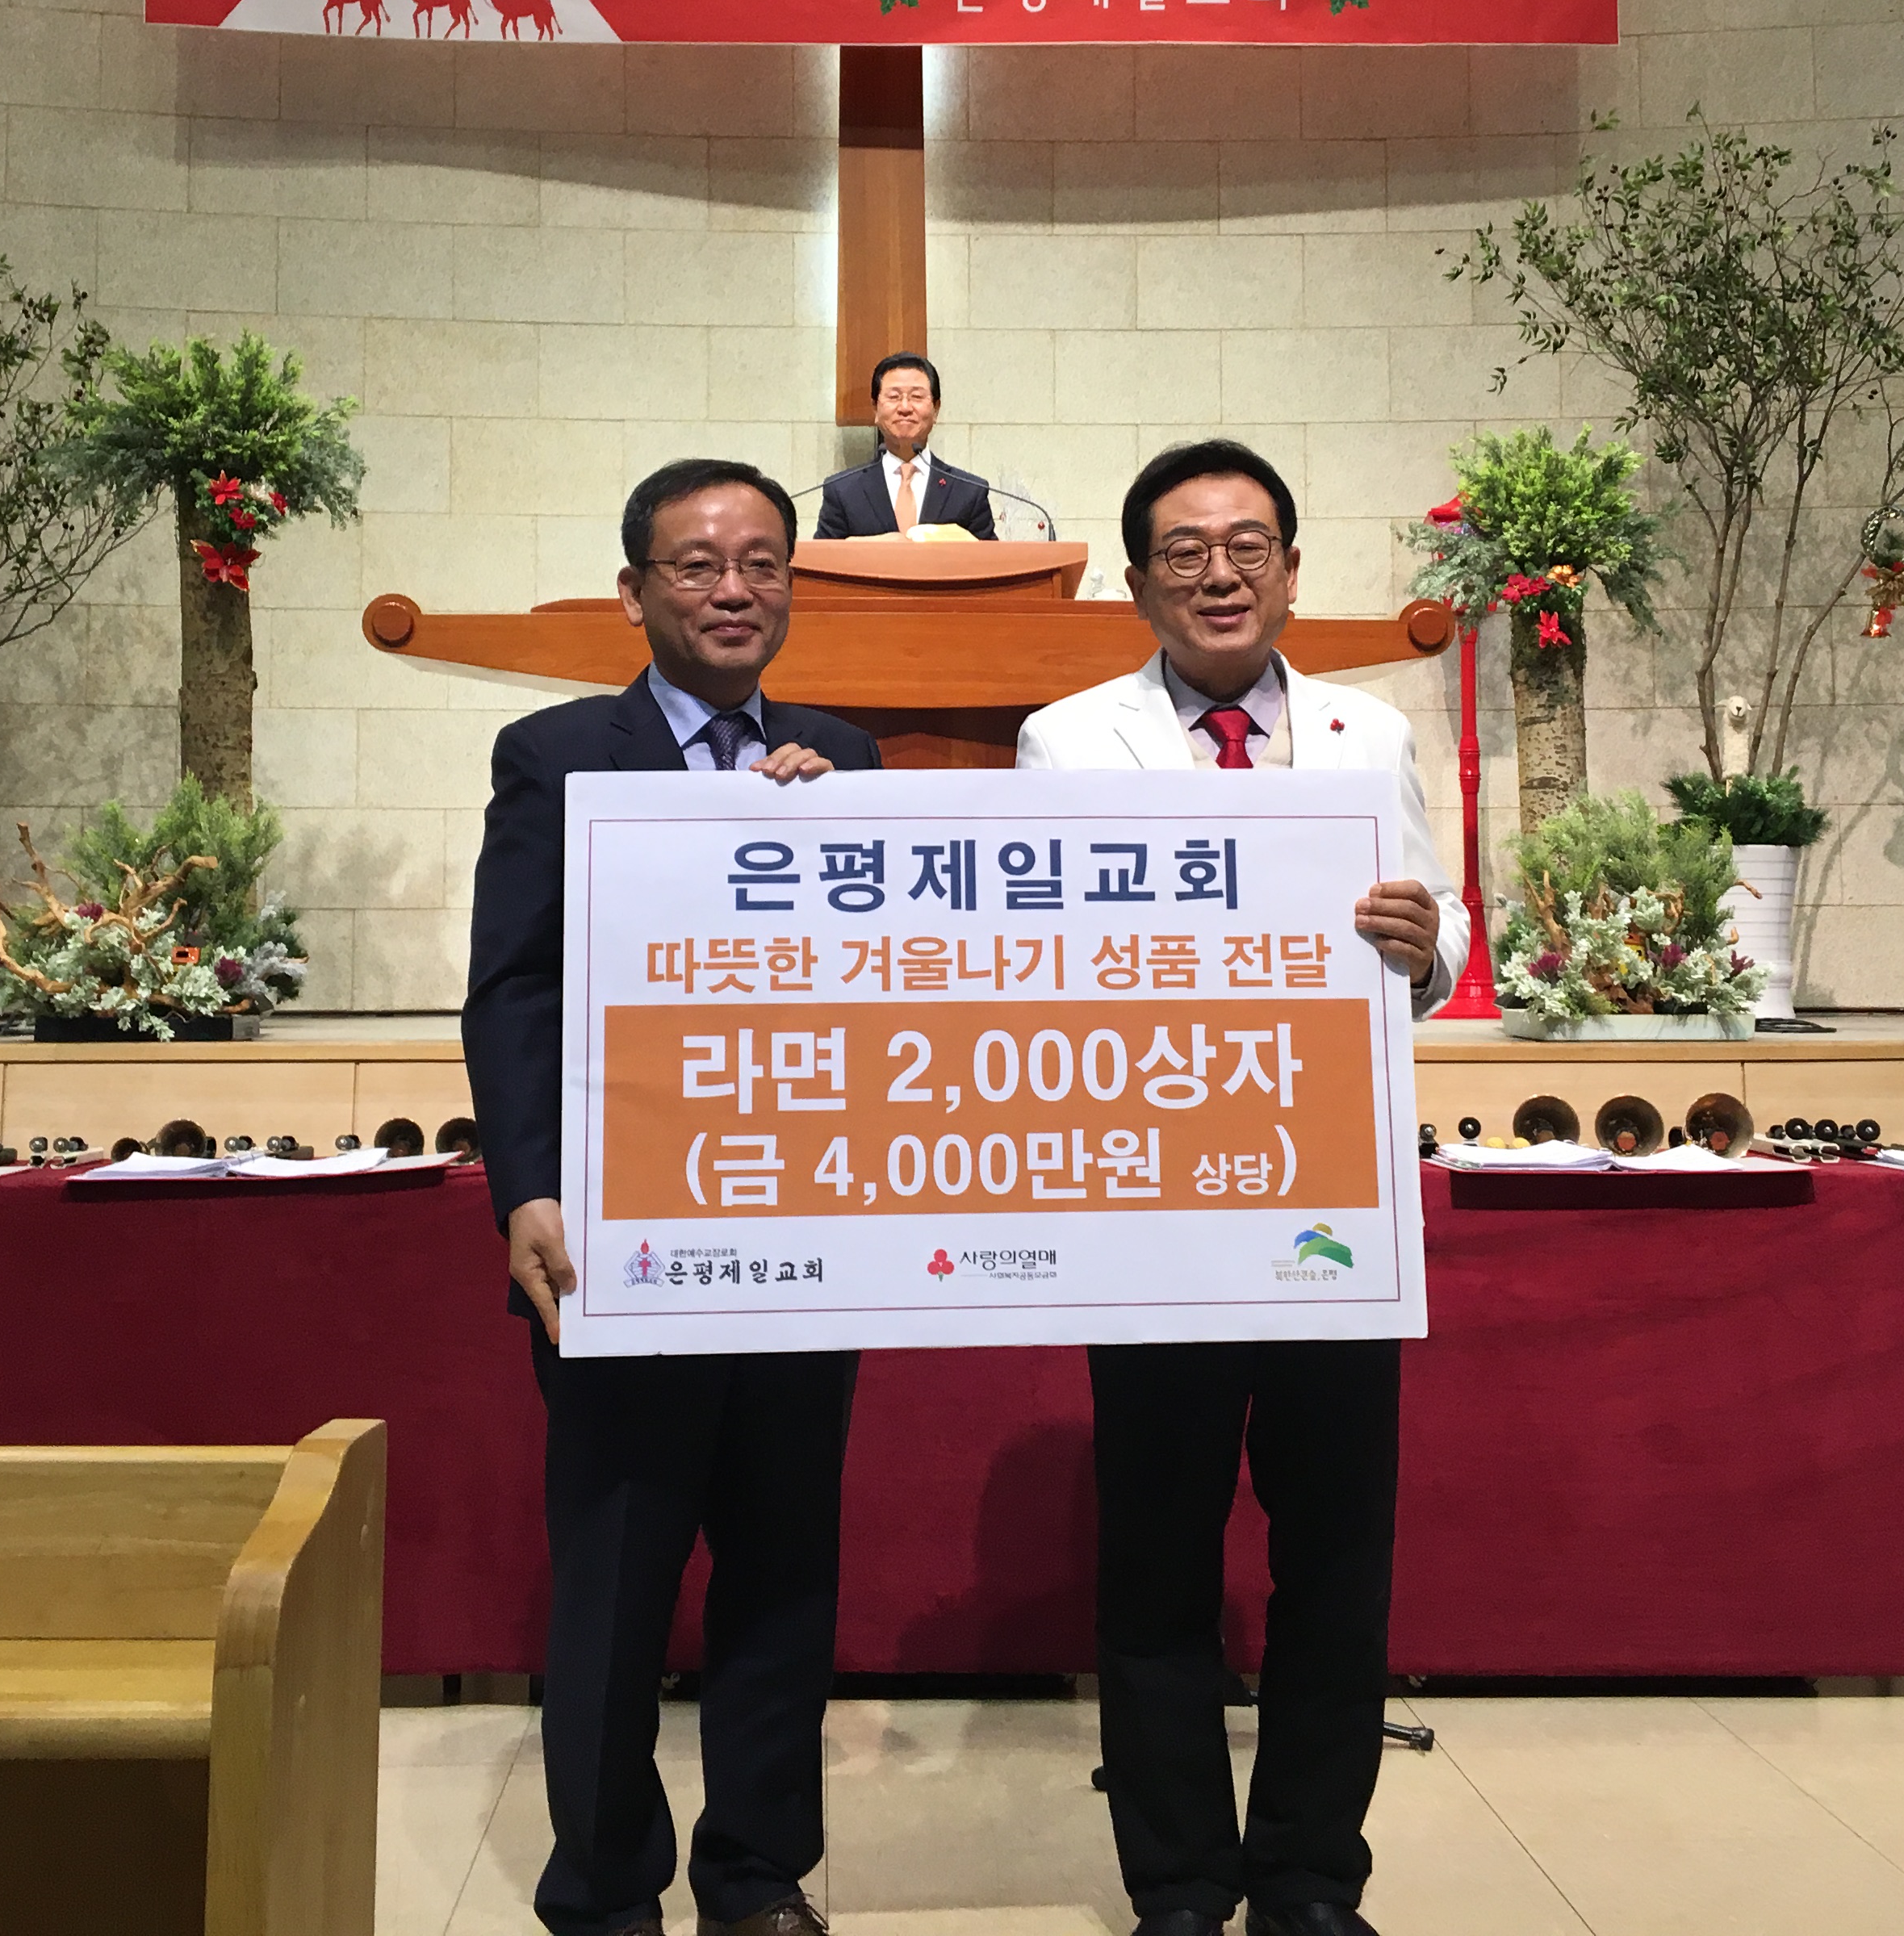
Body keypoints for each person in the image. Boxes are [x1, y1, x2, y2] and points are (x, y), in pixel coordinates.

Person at [1015, 438, 1467, 1936]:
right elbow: (1036, 953)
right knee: (1157, 1560)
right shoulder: (1067, 742)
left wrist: (1428, 942)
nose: (1220, 573)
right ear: (1139, 580)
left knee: (1336, 1559)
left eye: (1248, 544)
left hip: (1334, 1202)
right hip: (1155, 1209)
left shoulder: (1364, 731)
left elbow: (1442, 920)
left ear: (1289, 566)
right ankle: (1178, 1883)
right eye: (1186, 550)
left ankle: (1311, 1879)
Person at [466, 457, 882, 1936]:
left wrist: (832, 838)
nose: (733, 588)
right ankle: (602, 1888)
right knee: (617, 1579)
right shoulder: (557, 751)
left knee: (784, 1573)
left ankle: (757, 1874)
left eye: (762, 562)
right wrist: (524, 1188)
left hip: (801, 1234)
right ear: (634, 591)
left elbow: (892, 981)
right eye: (698, 564)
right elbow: (513, 987)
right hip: (618, 1239)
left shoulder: (844, 756)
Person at [813, 350, 999, 539]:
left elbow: (990, 556)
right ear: (875, 408)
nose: (905, 408)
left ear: (936, 409)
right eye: (894, 397)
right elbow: (823, 554)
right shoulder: (842, 490)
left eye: (916, 397)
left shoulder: (968, 491)